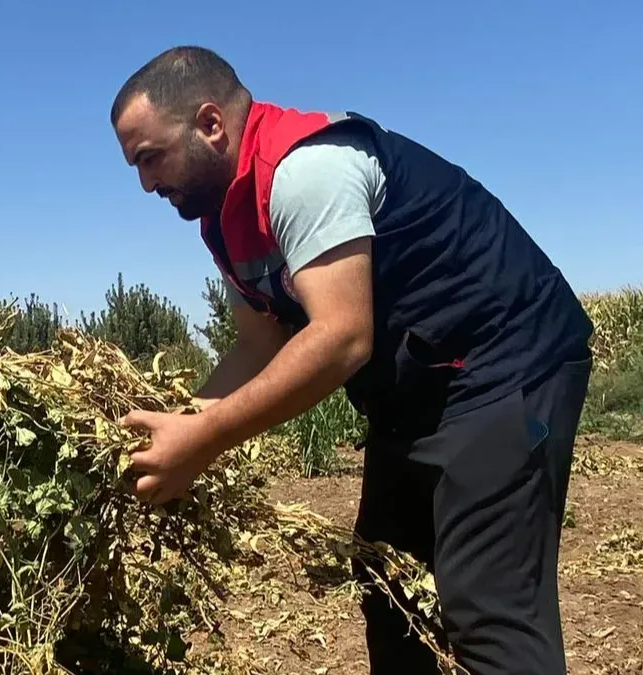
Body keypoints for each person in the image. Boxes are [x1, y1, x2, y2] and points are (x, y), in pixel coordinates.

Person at [109, 46, 593, 675]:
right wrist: (168, 426)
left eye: (150, 158)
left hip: (506, 365)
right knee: (389, 584)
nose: (146, 183)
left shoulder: (306, 170)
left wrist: (204, 438)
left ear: (210, 124)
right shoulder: (225, 220)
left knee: (488, 608)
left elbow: (342, 338)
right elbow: (259, 346)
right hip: (416, 394)